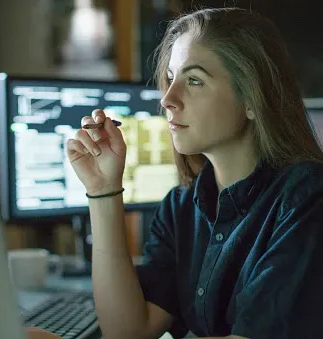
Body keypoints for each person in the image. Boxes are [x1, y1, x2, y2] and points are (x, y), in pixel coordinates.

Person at [31, 7, 323, 339]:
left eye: (194, 80)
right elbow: (128, 332)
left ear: (253, 99)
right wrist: (102, 190)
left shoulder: (306, 199)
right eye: (170, 79)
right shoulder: (180, 206)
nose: (168, 99)